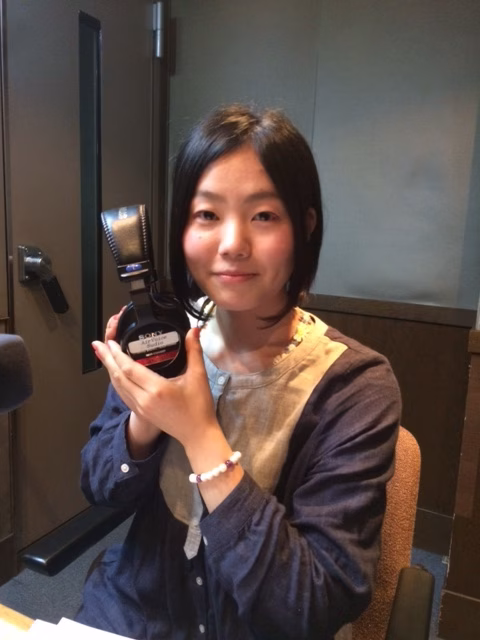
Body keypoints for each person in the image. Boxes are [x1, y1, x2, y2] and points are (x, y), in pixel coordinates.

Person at [76, 105, 401, 640]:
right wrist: (144, 419)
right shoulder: (162, 338)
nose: (232, 244)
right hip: (132, 616)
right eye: (207, 214)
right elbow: (100, 487)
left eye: (264, 216)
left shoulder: (355, 386)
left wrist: (201, 435)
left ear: (304, 227)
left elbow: (312, 604)